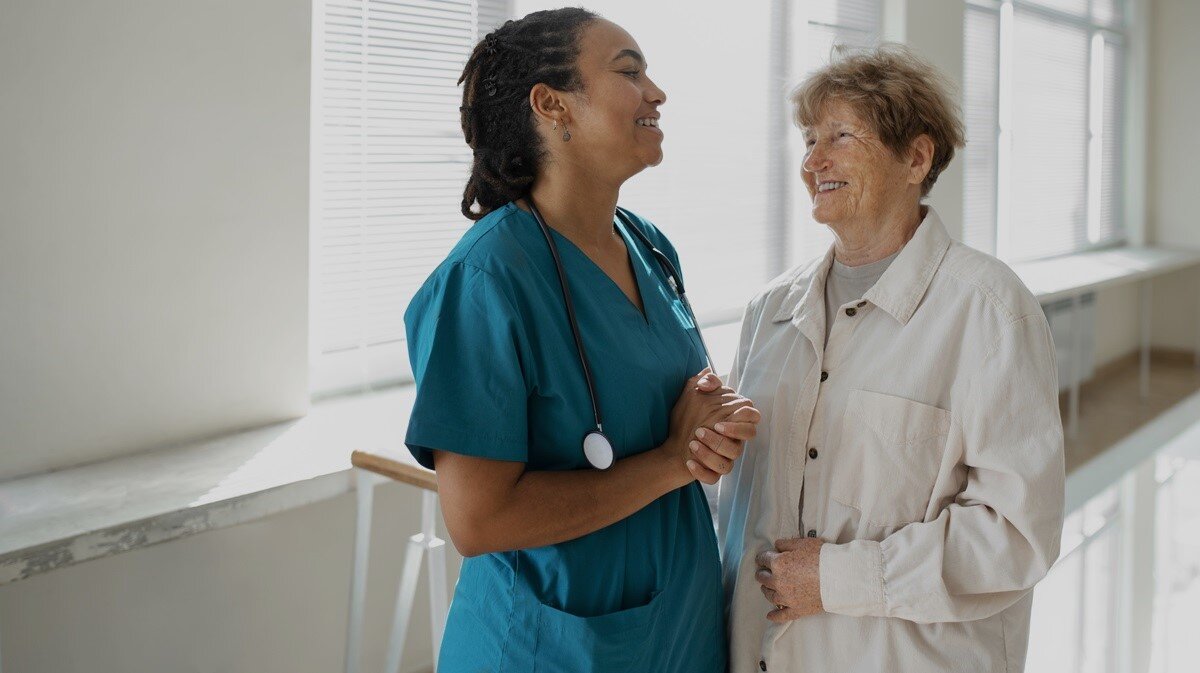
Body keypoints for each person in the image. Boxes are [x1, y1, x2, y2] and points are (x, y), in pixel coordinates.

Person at [403, 9, 759, 672]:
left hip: (679, 629)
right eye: (629, 72)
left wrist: (714, 418)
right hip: (552, 647)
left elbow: (667, 398)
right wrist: (672, 461)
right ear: (552, 105)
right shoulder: (486, 279)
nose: (656, 92)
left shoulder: (650, 246)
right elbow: (479, 520)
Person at [717, 45, 1066, 672]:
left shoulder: (989, 310)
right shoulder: (768, 311)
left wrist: (839, 577)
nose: (813, 162)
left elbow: (1016, 536)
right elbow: (745, 506)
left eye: (841, 137)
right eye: (808, 139)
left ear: (916, 157)